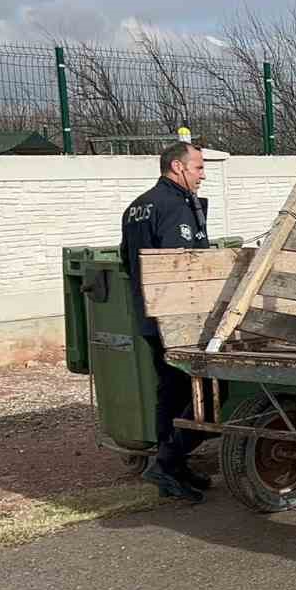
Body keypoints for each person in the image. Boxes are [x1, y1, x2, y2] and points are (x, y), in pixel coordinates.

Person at [121, 142, 215, 502]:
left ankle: (172, 467)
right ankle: (167, 461)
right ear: (177, 167)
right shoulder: (175, 206)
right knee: (204, 393)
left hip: (148, 315)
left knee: (171, 392)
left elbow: (127, 262)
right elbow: (184, 267)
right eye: (198, 168)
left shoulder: (136, 207)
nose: (202, 175)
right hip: (178, 319)